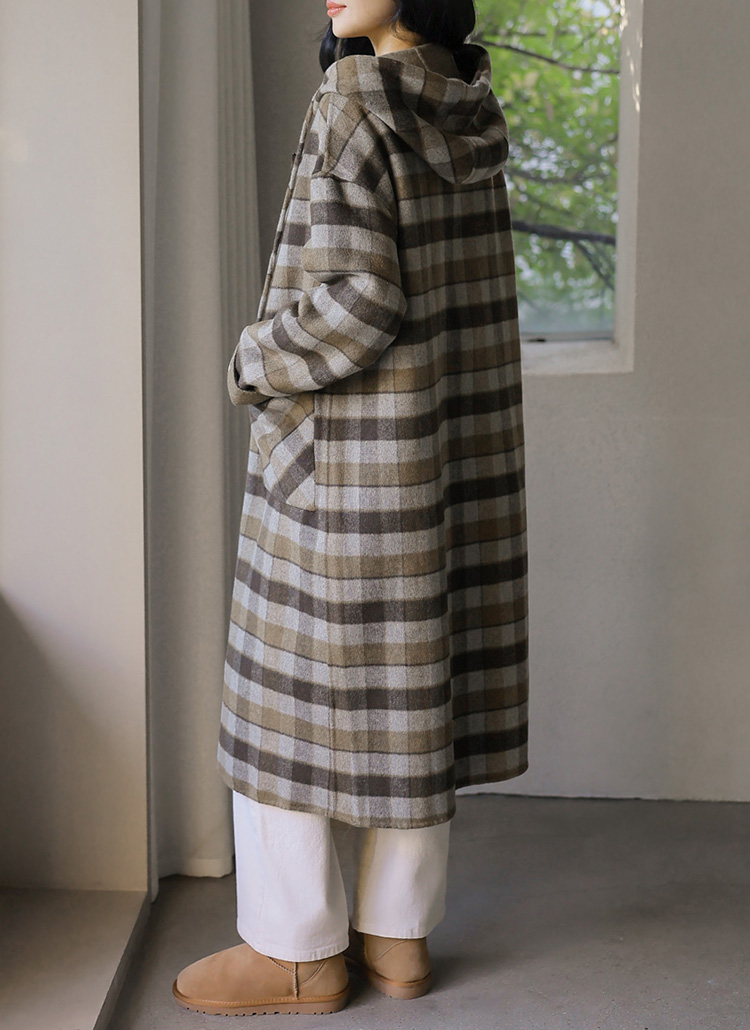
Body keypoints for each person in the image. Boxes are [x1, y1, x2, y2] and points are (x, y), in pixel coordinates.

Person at [173, 0, 529, 1016]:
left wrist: (253, 357)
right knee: (415, 689)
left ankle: (295, 952)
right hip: (440, 453)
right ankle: (399, 939)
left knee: (277, 707)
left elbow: (359, 301)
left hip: (341, 462)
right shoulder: (463, 104)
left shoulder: (352, 100)